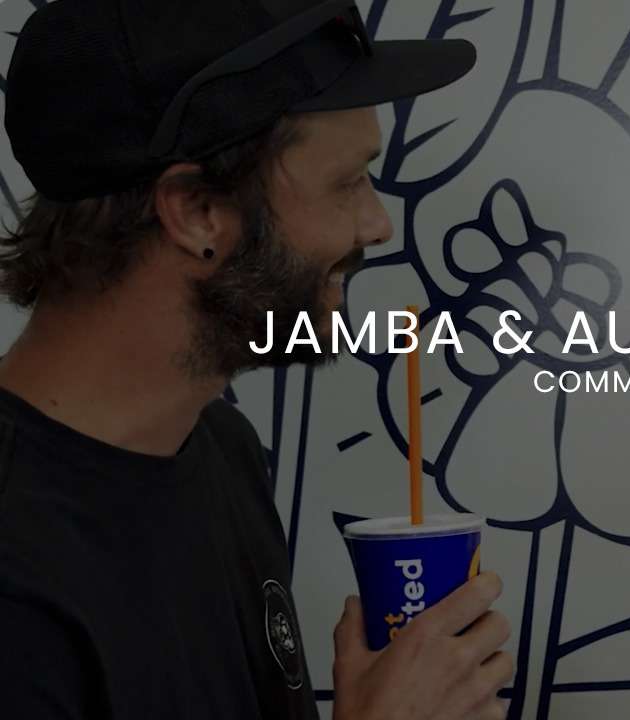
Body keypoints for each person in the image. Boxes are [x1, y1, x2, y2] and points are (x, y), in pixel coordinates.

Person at [0, 1, 512, 718]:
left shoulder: (222, 448)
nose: (378, 225)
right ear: (196, 212)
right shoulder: (16, 578)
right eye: (347, 181)